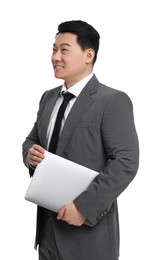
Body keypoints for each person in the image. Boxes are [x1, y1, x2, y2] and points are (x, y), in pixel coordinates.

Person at [22, 20, 139, 260]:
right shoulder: (48, 98)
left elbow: (125, 162)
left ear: (89, 55)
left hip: (88, 237)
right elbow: (32, 139)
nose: (55, 57)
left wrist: (84, 208)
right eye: (53, 49)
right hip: (47, 235)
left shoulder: (112, 101)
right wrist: (30, 154)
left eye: (64, 50)